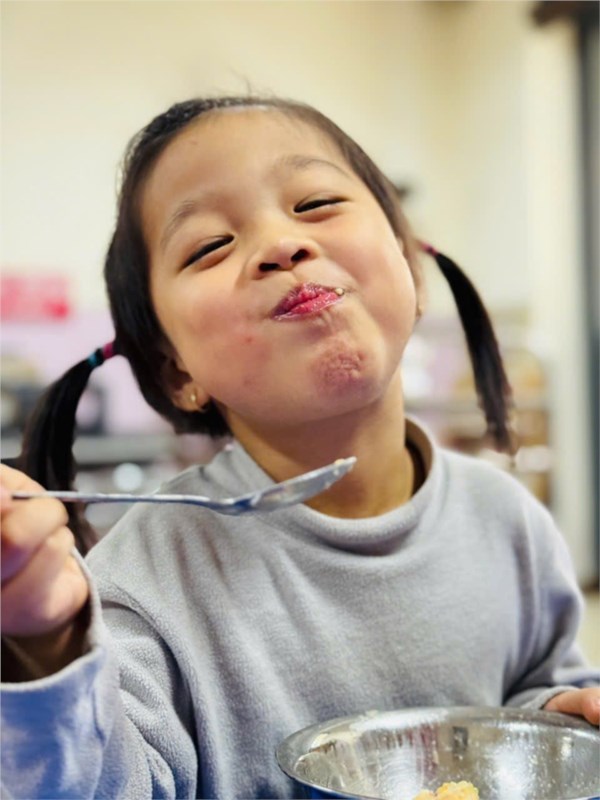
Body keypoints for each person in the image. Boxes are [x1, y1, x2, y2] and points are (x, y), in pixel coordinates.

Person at [1, 96, 598, 800]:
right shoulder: (143, 583)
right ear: (176, 370)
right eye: (209, 246)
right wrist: (43, 647)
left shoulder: (507, 519)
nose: (281, 245)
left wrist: (560, 716)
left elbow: (538, 691)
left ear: (411, 271)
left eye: (315, 203)